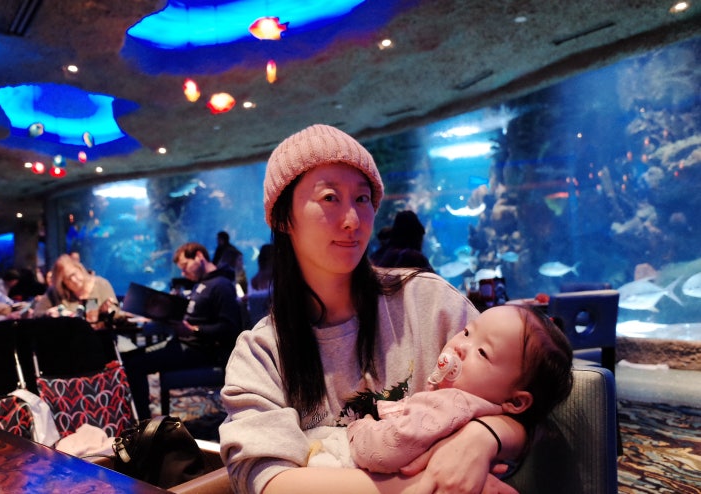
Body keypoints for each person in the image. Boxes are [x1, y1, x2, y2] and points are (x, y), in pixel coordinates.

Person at [219, 124, 526, 494]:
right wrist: (424, 482)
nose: (352, 220)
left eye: (362, 199)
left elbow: (524, 403)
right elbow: (269, 481)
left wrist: (485, 435)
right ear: (284, 218)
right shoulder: (262, 352)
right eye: (330, 197)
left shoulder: (428, 302)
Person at [304, 304, 574, 473]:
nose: (461, 346)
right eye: (467, 332)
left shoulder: (453, 404)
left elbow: (385, 450)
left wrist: (359, 428)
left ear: (516, 402)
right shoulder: (473, 407)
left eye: (482, 352)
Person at [122, 242, 243, 419]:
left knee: (134, 364)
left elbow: (230, 328)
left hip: (202, 350)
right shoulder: (202, 284)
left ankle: (143, 420)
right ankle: (140, 416)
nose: (183, 273)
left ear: (199, 256)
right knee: (130, 357)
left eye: (185, 266)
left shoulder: (222, 285)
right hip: (184, 344)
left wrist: (194, 330)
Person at [32, 254, 118, 325]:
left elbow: (117, 314)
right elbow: (37, 313)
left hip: (100, 337)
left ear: (80, 269)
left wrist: (105, 312)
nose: (74, 280)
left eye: (74, 274)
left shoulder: (101, 284)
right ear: (63, 283)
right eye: (68, 278)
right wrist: (48, 314)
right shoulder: (56, 292)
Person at [213, 231, 248, 296]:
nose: (217, 241)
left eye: (219, 239)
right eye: (240, 260)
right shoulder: (220, 250)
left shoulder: (230, 250)